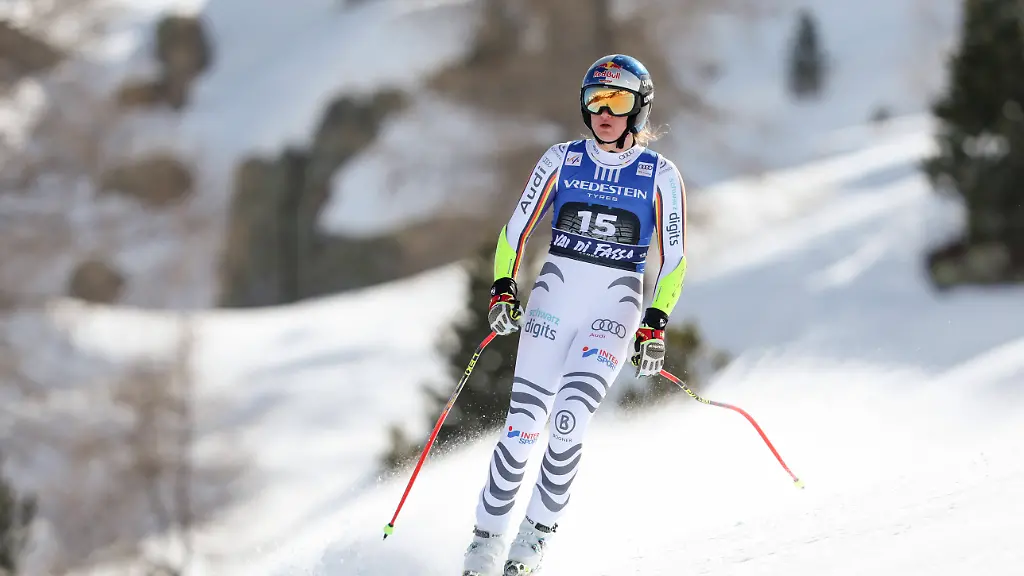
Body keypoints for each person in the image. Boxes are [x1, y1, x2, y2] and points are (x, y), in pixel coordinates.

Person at [462, 54, 688, 576]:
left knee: (566, 425)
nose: (604, 112)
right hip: (554, 297)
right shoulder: (561, 158)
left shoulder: (660, 174)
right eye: (595, 101)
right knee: (521, 428)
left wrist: (655, 322)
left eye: (618, 102)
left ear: (639, 109)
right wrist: (502, 288)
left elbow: (674, 260)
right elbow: (514, 230)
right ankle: (483, 545)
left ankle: (531, 542)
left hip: (615, 304)